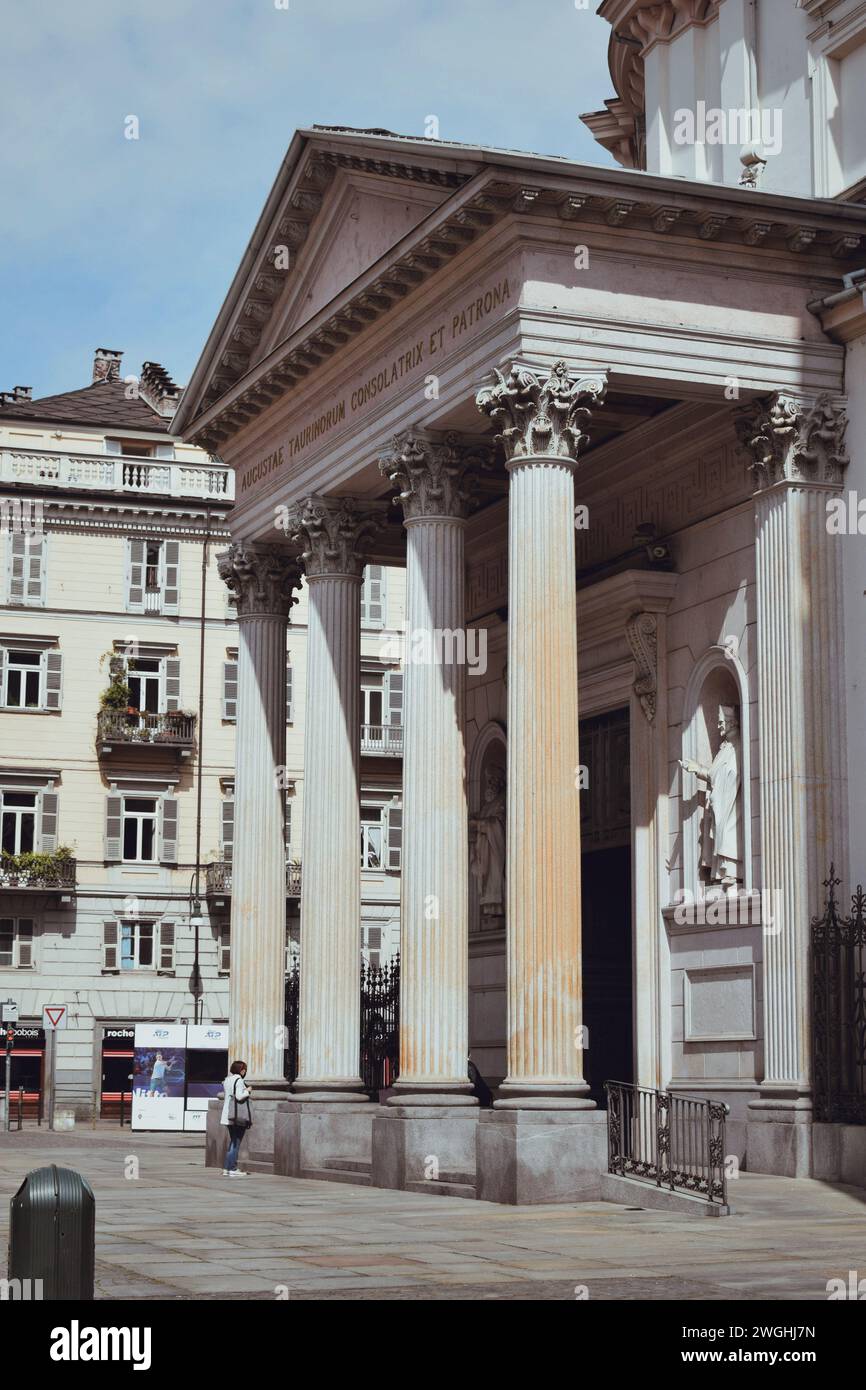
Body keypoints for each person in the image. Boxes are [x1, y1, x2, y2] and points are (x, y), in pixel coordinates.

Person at [220, 1060, 252, 1177]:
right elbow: (239, 1096)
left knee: (233, 1142)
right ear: (242, 1070)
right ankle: (232, 1168)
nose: (245, 1072)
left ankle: (227, 1168)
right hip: (237, 1116)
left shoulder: (228, 1080)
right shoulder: (239, 1080)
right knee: (236, 1142)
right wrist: (247, 1091)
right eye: (245, 1069)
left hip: (228, 1114)